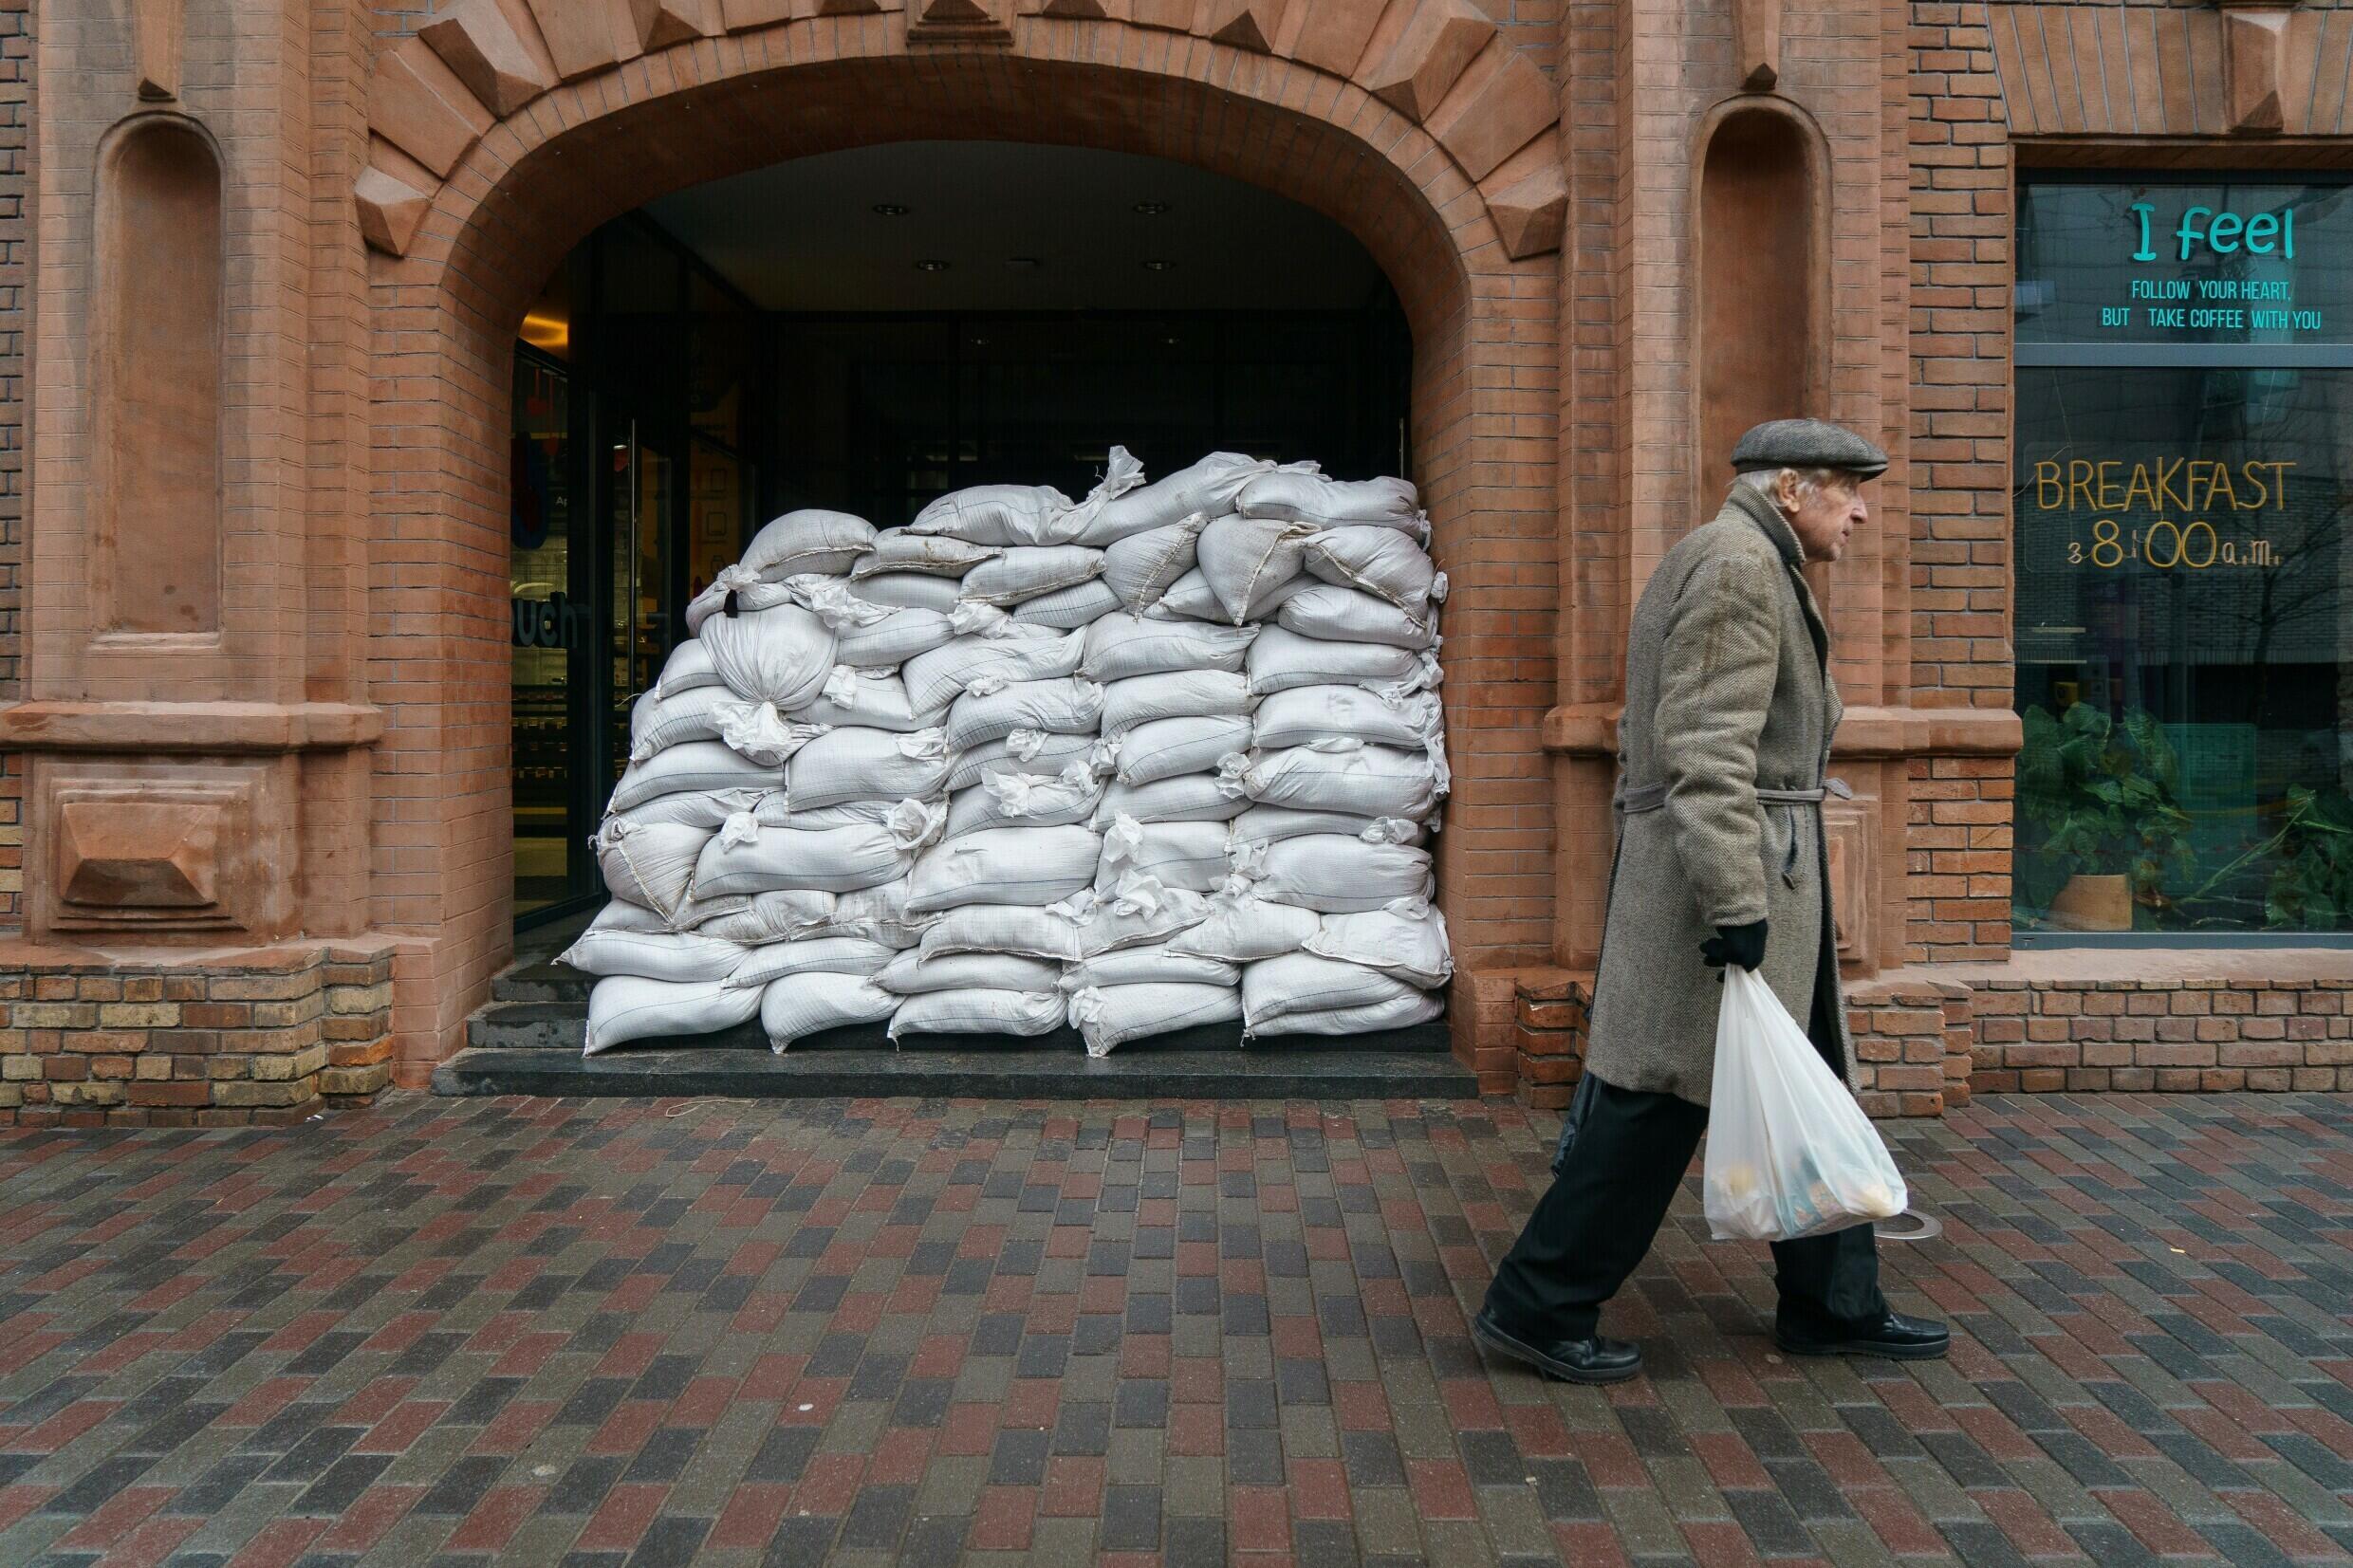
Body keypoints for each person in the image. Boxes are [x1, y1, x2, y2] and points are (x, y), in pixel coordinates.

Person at [1473, 418, 1950, 1383]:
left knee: (1803, 1088)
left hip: (1763, 877)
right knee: (1652, 1107)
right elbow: (1703, 752)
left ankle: (1831, 1304)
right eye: (1845, 488)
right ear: (1787, 489)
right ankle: (1535, 1304)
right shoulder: (1737, 568)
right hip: (1720, 889)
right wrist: (1735, 903)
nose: (1860, 510)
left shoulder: (1753, 562)